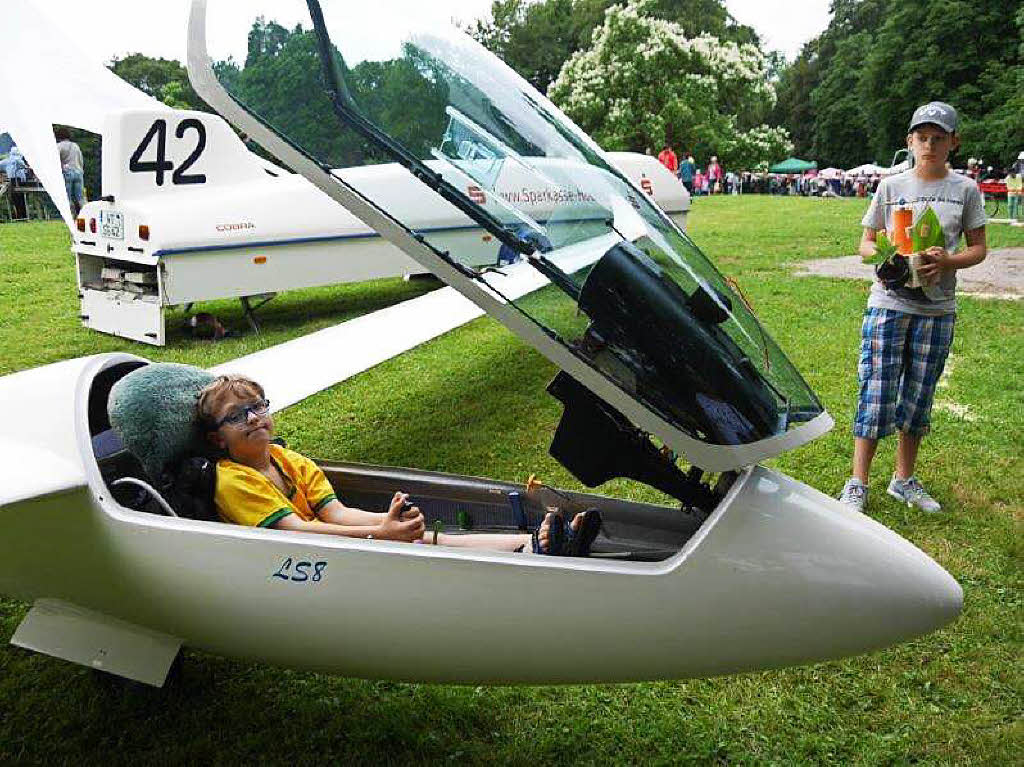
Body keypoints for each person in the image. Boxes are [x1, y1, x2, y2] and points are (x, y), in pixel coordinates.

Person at [197, 374, 600, 555]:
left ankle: (530, 545)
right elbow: (295, 532)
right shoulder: (232, 480)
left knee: (426, 540)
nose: (253, 418)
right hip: (293, 557)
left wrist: (388, 525)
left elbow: (335, 513)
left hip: (323, 546)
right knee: (419, 549)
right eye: (236, 416)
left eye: (258, 407)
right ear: (218, 438)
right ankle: (538, 551)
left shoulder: (289, 460)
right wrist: (382, 533)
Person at [838, 101, 987, 514]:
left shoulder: (966, 190)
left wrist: (948, 261)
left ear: (953, 143)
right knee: (877, 391)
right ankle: (858, 483)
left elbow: (978, 249)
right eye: (922, 138)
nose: (929, 145)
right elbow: (865, 244)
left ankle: (903, 480)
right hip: (888, 305)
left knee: (918, 396)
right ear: (909, 142)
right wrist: (884, 255)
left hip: (937, 311)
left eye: (939, 139)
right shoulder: (891, 187)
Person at [55, 126, 86, 216]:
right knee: (80, 198)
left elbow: (55, 160)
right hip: (78, 172)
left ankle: (70, 216)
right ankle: (85, 214)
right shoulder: (75, 146)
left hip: (67, 172)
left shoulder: (59, 146)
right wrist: (81, 170)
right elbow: (81, 159)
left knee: (67, 197)